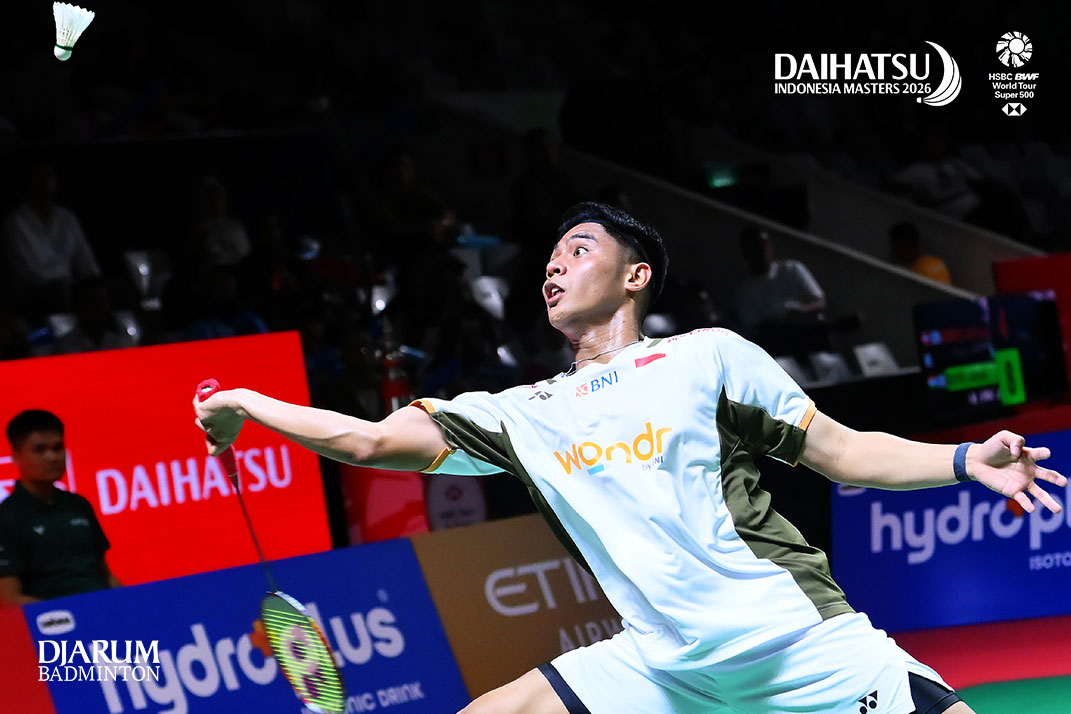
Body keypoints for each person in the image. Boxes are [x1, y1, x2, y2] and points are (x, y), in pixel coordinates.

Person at [194, 202, 1065, 714]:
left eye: (577, 251)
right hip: (662, 666)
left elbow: (841, 452)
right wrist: (247, 403)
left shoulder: (707, 355)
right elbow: (368, 440)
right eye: (548, 259)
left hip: (794, 641)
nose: (553, 268)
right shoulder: (521, 413)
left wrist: (963, 462)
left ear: (635, 276)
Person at [0, 410, 119, 604]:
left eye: (58, 448)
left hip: (103, 610)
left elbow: (106, 577)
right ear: (16, 457)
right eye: (40, 450)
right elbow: (8, 600)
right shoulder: (6, 518)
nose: (52, 457)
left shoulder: (79, 505)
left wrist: (132, 604)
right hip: (55, 619)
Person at [733, 224, 829, 358]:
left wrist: (801, 311)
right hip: (778, 346)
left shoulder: (793, 269)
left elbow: (820, 302)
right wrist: (780, 322)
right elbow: (754, 326)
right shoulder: (744, 290)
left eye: (764, 244)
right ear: (746, 254)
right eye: (755, 247)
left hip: (812, 335)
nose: (761, 251)